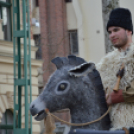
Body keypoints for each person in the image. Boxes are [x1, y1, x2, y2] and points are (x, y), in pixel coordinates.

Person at [96, 8, 134, 131]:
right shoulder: (105, 64)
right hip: (114, 128)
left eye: (116, 30)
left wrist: (120, 96)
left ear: (128, 30)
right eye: (110, 32)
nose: (112, 35)